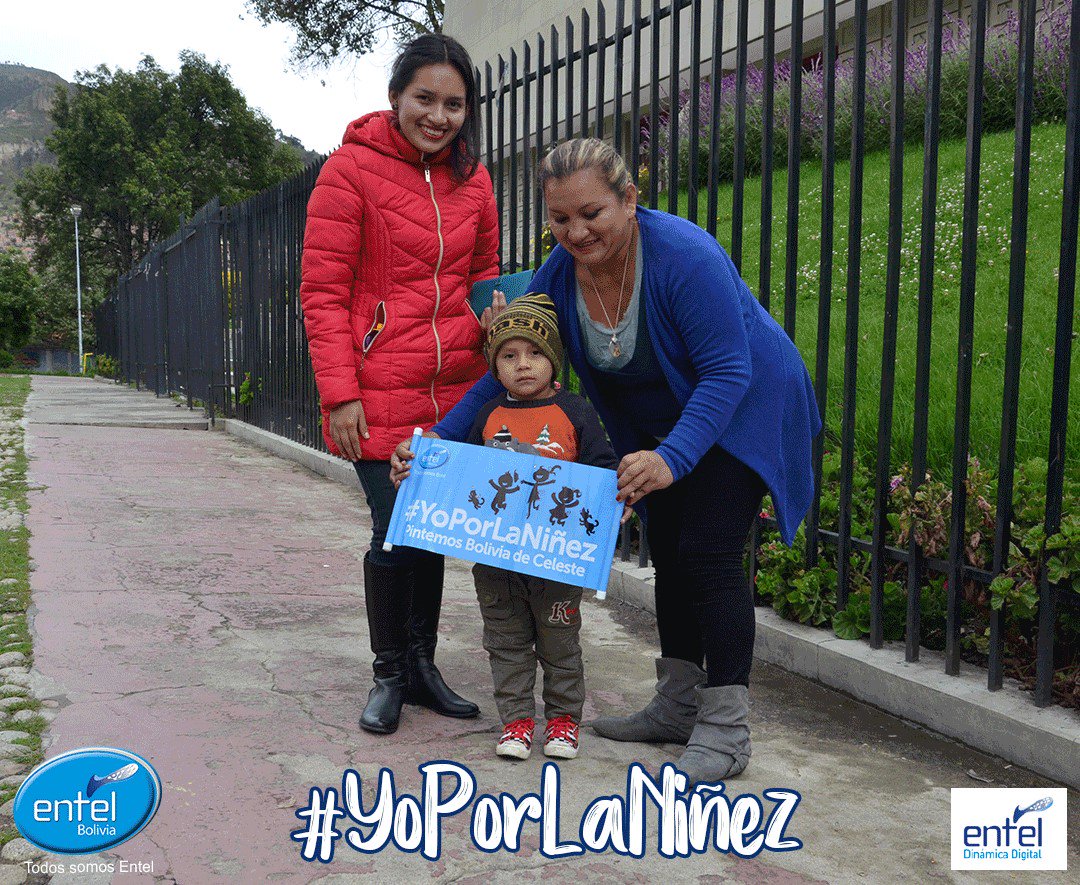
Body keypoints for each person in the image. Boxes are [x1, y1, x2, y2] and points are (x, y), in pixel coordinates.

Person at [393, 138, 821, 783]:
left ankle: (727, 729)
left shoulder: (684, 256)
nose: (576, 232)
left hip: (745, 407)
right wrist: (435, 445)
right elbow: (499, 378)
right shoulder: (560, 273)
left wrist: (672, 458)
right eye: (561, 219)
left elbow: (728, 370)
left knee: (706, 554)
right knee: (670, 550)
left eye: (592, 213)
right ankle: (677, 707)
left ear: (630, 199)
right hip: (668, 419)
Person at [299, 33, 500, 736]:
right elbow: (322, 293)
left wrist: (496, 323)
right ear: (396, 97)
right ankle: (389, 672)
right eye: (425, 99)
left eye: (454, 104)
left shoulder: (475, 179)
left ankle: (421, 666)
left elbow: (483, 276)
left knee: (431, 529)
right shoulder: (348, 173)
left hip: (454, 392)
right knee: (396, 525)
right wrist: (339, 392)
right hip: (376, 389)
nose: (439, 116)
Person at [392, 293, 618, 760]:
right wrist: (418, 475)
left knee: (559, 643)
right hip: (495, 561)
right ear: (494, 367)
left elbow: (602, 470)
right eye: (509, 356)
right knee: (506, 642)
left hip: (556, 563)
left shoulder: (576, 412)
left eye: (536, 353)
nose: (524, 365)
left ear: (554, 361)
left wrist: (618, 500)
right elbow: (457, 474)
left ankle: (561, 721)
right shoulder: (486, 414)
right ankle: (515, 722)